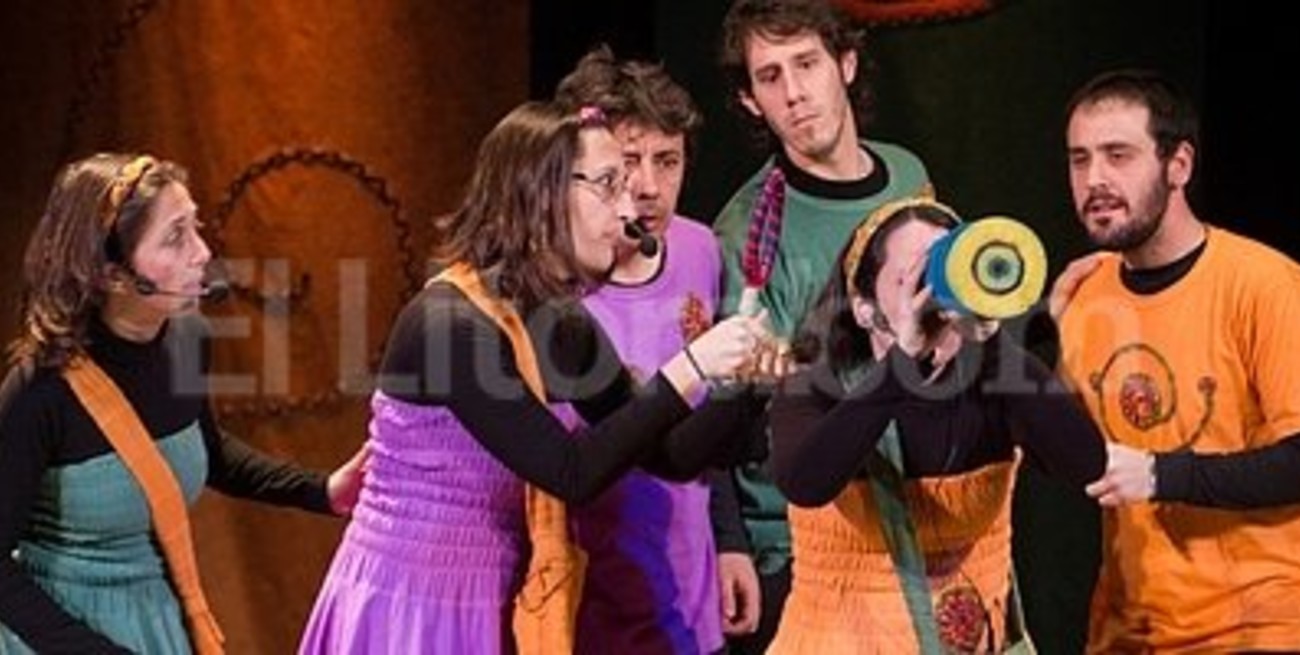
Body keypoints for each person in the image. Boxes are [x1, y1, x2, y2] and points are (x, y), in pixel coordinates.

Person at [297, 101, 768, 654]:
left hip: (496, 602)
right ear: (539, 193)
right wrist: (690, 367)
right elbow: (571, 472)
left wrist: (748, 384)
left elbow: (667, 453)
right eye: (608, 185)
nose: (629, 210)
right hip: (410, 606)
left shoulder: (558, 321)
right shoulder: (450, 324)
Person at [0, 153, 367, 654]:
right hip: (61, 634)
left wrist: (322, 490)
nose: (202, 252)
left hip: (158, 619)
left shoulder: (188, 339)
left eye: (195, 227)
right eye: (175, 237)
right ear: (111, 273)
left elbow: (206, 451)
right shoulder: (40, 391)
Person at [764, 197, 1106, 653]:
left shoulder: (995, 376)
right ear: (864, 308)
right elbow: (805, 483)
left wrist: (992, 342)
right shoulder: (814, 388)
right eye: (912, 277)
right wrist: (901, 363)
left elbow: (1087, 464)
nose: (932, 292)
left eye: (943, 269)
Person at [709, 0, 933, 650]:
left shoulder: (908, 174)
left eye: (806, 63)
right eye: (769, 76)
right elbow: (734, 406)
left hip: (914, 526)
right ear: (750, 101)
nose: (794, 92)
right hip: (806, 547)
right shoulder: (745, 233)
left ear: (847, 64)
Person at [1051, 69, 1300, 652]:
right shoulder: (1086, 295)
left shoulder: (1264, 284)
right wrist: (1040, 328)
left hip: (1255, 626)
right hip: (1127, 630)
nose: (1095, 179)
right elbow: (1058, 451)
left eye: (1118, 155)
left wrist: (1163, 474)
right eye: (1080, 160)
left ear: (1178, 165)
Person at [555, 46, 749, 654]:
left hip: (688, 593)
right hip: (583, 599)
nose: (648, 188)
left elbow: (706, 415)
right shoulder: (552, 287)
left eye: (668, 162)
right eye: (626, 164)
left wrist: (731, 540)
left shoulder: (700, 250)